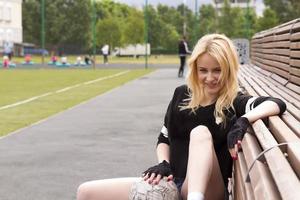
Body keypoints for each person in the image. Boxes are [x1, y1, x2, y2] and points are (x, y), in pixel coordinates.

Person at [76, 34, 286, 200]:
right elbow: (163, 139)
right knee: (86, 192)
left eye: (217, 70)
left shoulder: (233, 101)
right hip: (174, 184)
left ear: (229, 69)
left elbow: (276, 103)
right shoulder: (181, 94)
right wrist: (163, 163)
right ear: (195, 69)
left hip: (210, 191)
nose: (210, 78)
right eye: (203, 70)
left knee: (200, 132)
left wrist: (244, 120)